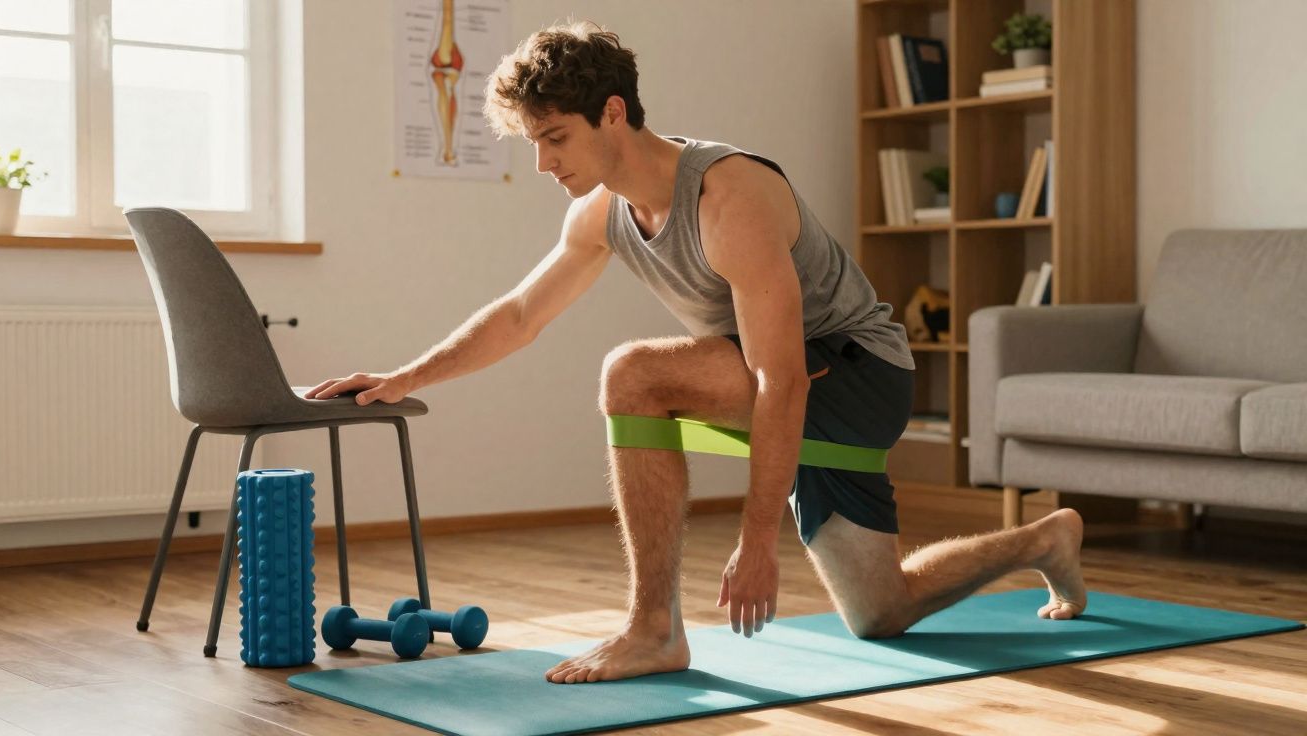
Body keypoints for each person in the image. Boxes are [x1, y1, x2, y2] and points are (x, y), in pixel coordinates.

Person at [307, 20, 1086, 685]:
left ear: (612, 112)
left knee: (632, 374)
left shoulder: (727, 196)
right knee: (881, 614)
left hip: (855, 373)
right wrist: (404, 374)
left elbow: (782, 376)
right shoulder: (600, 213)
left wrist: (755, 544)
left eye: (554, 137)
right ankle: (1043, 539)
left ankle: (654, 628)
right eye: (535, 141)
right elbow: (518, 315)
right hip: (774, 377)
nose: (543, 162)